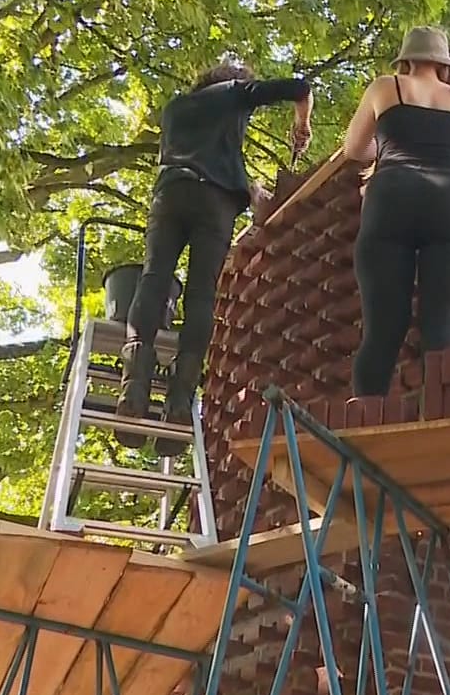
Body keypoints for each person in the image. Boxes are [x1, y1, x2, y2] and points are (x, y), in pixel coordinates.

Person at [119, 61, 311, 451]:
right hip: (214, 204)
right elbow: (299, 87)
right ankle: (179, 400)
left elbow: (206, 152)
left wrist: (247, 181)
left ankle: (133, 389)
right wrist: (301, 123)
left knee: (154, 277)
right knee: (201, 294)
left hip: (170, 193)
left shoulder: (175, 108)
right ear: (237, 81)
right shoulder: (233, 93)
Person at [340, 26, 450, 399]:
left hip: (394, 195)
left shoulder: (387, 87)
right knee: (444, 327)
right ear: (443, 64)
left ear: (405, 60)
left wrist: (381, 154)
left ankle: (365, 419)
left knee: (384, 326)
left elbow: (354, 149)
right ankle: (441, 418)